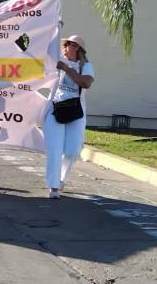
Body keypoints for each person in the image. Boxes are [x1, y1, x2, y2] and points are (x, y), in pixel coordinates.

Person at [44, 35, 95, 199]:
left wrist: (67, 69)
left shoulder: (85, 66)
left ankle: (61, 179)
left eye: (69, 45)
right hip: (55, 109)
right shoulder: (57, 61)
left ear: (77, 48)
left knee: (73, 150)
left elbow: (86, 83)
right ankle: (53, 186)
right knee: (55, 148)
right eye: (64, 44)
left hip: (75, 111)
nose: (65, 47)